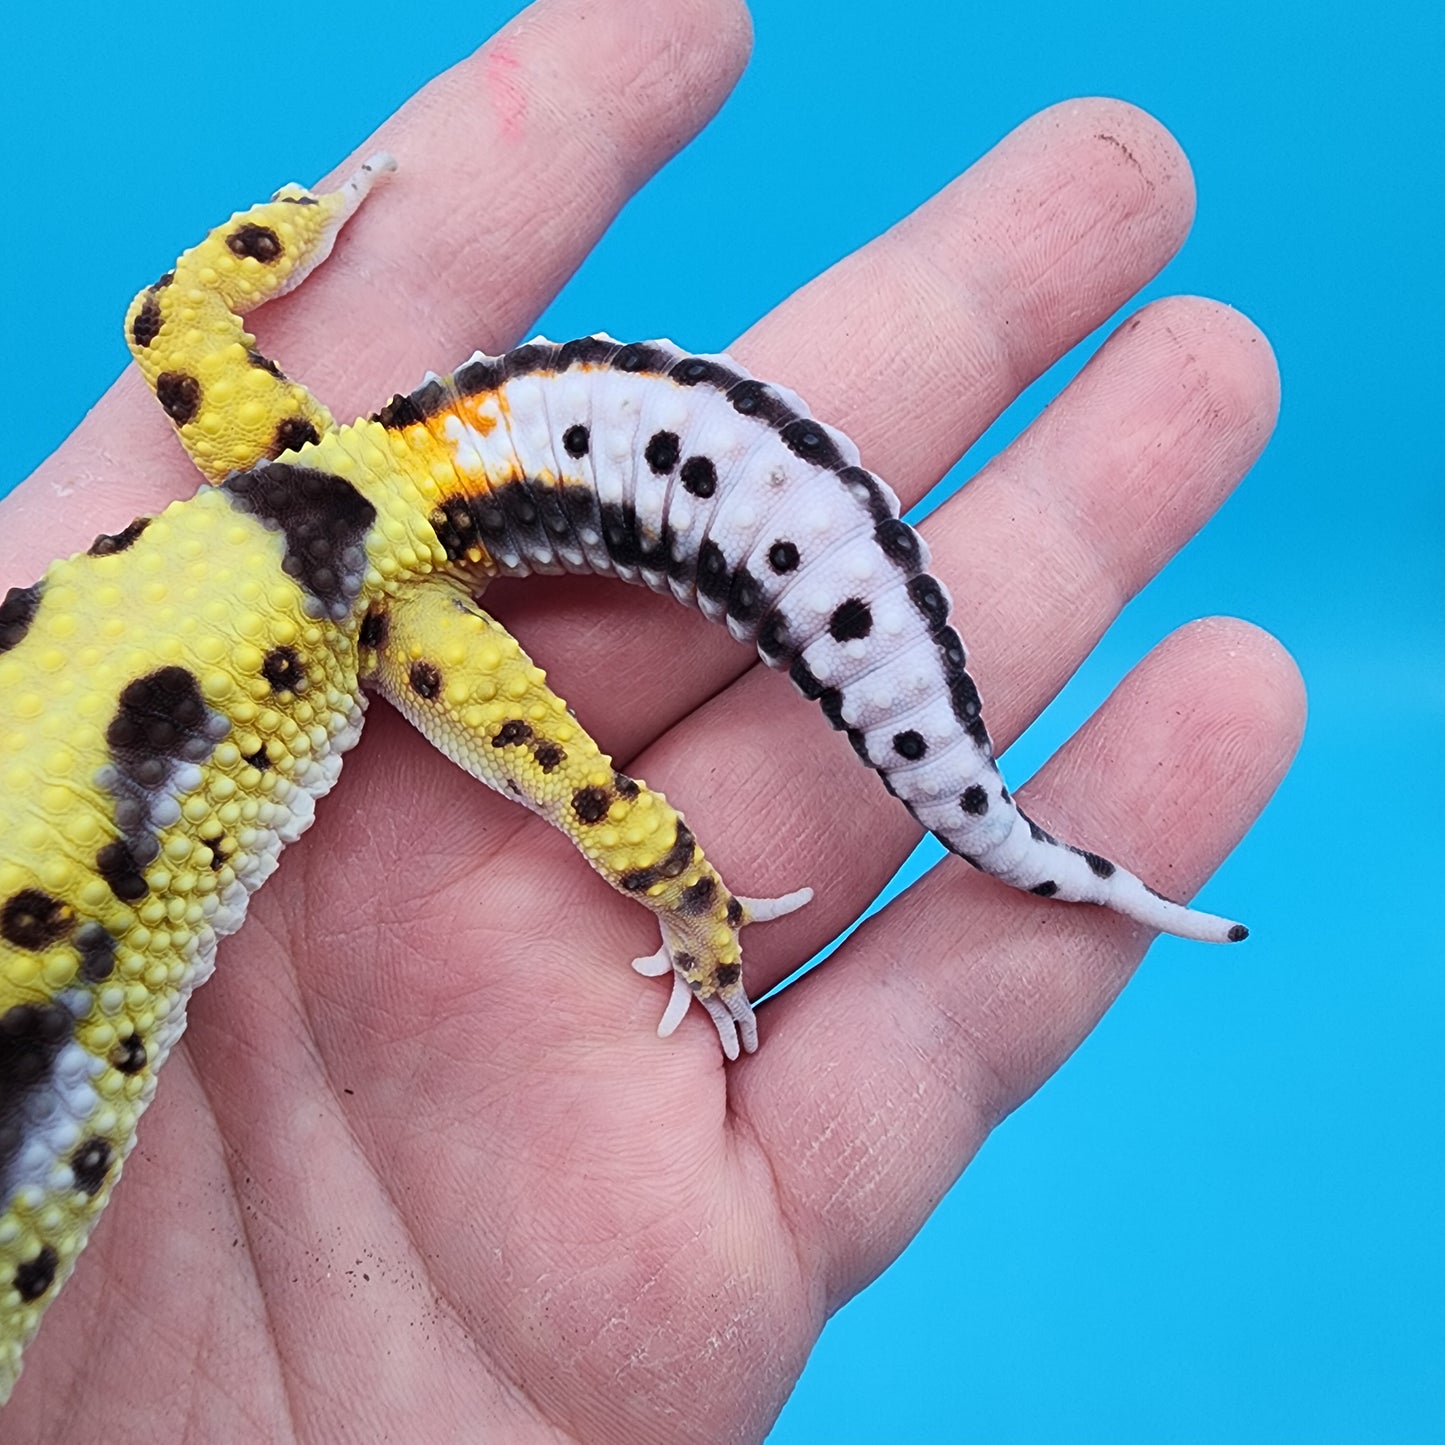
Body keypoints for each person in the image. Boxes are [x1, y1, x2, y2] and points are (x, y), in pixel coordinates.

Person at [0, 0, 1302, 1436]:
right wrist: (300, 226)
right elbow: (169, 324)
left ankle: (705, 882)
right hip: (259, 570)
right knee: (178, 330)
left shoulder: (379, 590)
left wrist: (684, 896)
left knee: (595, 798)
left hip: (331, 587)